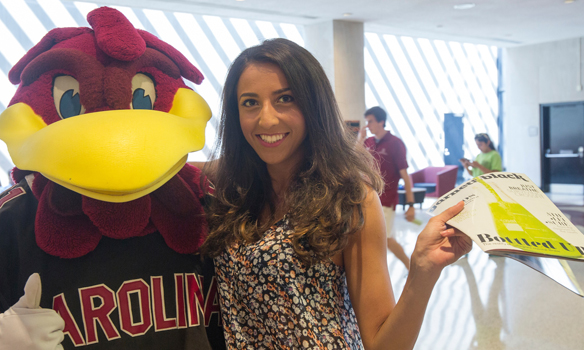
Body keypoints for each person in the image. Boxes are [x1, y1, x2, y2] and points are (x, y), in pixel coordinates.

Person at [198, 38, 472, 349]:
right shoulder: (235, 189)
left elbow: (383, 344)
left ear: (313, 105)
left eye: (285, 98)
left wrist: (422, 271)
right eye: (250, 102)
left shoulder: (349, 199)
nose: (267, 118)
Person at [358, 106, 417, 270]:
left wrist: (411, 205)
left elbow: (405, 176)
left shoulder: (395, 144)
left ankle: (410, 267)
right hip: (367, 199)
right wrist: (360, 139)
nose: (367, 125)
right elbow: (353, 159)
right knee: (375, 238)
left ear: (381, 122)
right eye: (366, 122)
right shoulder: (368, 142)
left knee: (387, 239)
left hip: (386, 201)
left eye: (370, 121)